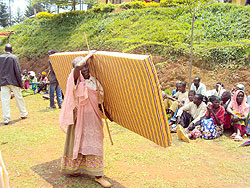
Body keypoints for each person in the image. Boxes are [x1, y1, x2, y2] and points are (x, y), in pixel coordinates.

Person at [59, 51, 111, 188]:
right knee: (78, 142)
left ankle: (98, 175)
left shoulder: (94, 81)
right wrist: (88, 55)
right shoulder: (75, 80)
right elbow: (76, 69)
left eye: (86, 66)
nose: (85, 70)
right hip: (78, 119)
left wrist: (107, 113)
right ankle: (74, 169)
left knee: (95, 144)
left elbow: (100, 100)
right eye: (82, 68)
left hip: (93, 118)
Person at [0, 44, 28, 125]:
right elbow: (17, 71)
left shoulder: (0, 58)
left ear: (5, 50)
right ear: (11, 50)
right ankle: (23, 113)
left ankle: (6, 119)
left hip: (3, 82)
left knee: (5, 100)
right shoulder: (14, 57)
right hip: (13, 81)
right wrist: (20, 83)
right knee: (19, 98)